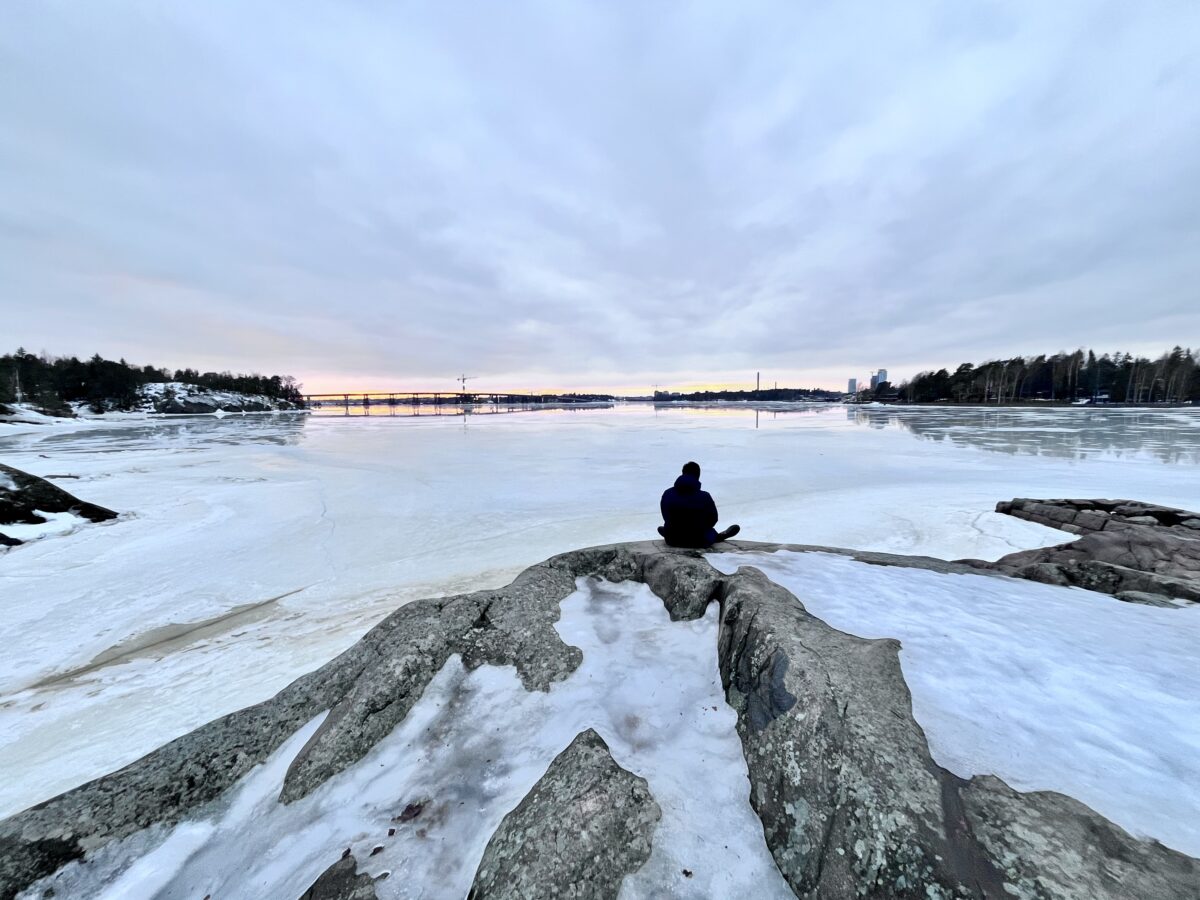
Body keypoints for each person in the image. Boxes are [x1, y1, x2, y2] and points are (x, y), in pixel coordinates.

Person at [657, 461, 740, 548]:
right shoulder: (705, 496)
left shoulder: (667, 494)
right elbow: (713, 519)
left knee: (672, 528)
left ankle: (670, 532)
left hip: (673, 540)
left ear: (683, 473)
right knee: (708, 533)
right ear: (698, 476)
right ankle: (717, 537)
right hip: (699, 540)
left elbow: (665, 516)